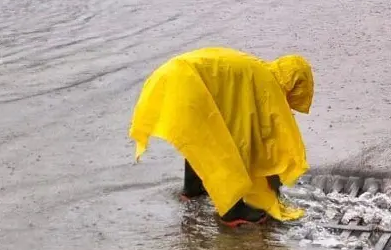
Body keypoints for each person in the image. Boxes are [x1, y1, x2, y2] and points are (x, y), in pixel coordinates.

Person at [129, 47, 314, 226]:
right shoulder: (267, 83)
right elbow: (257, 141)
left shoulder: (256, 70)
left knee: (199, 137)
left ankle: (192, 190)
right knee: (219, 145)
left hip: (168, 77)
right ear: (294, 83)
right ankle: (232, 212)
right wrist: (272, 186)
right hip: (186, 84)